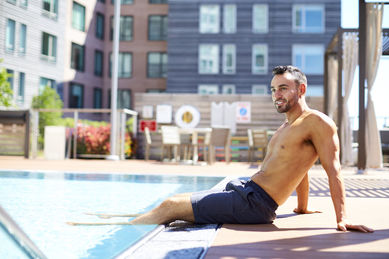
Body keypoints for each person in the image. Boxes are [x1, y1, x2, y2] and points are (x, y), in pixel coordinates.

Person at [70, 65, 373, 233]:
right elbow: (302, 168)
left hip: (255, 204)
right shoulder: (288, 126)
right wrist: (302, 207)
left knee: (171, 205)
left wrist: (341, 218)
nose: (276, 94)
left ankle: (114, 233)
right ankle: (113, 217)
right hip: (246, 190)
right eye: (273, 89)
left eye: (283, 88)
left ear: (300, 89)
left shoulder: (317, 122)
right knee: (170, 207)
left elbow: (334, 171)